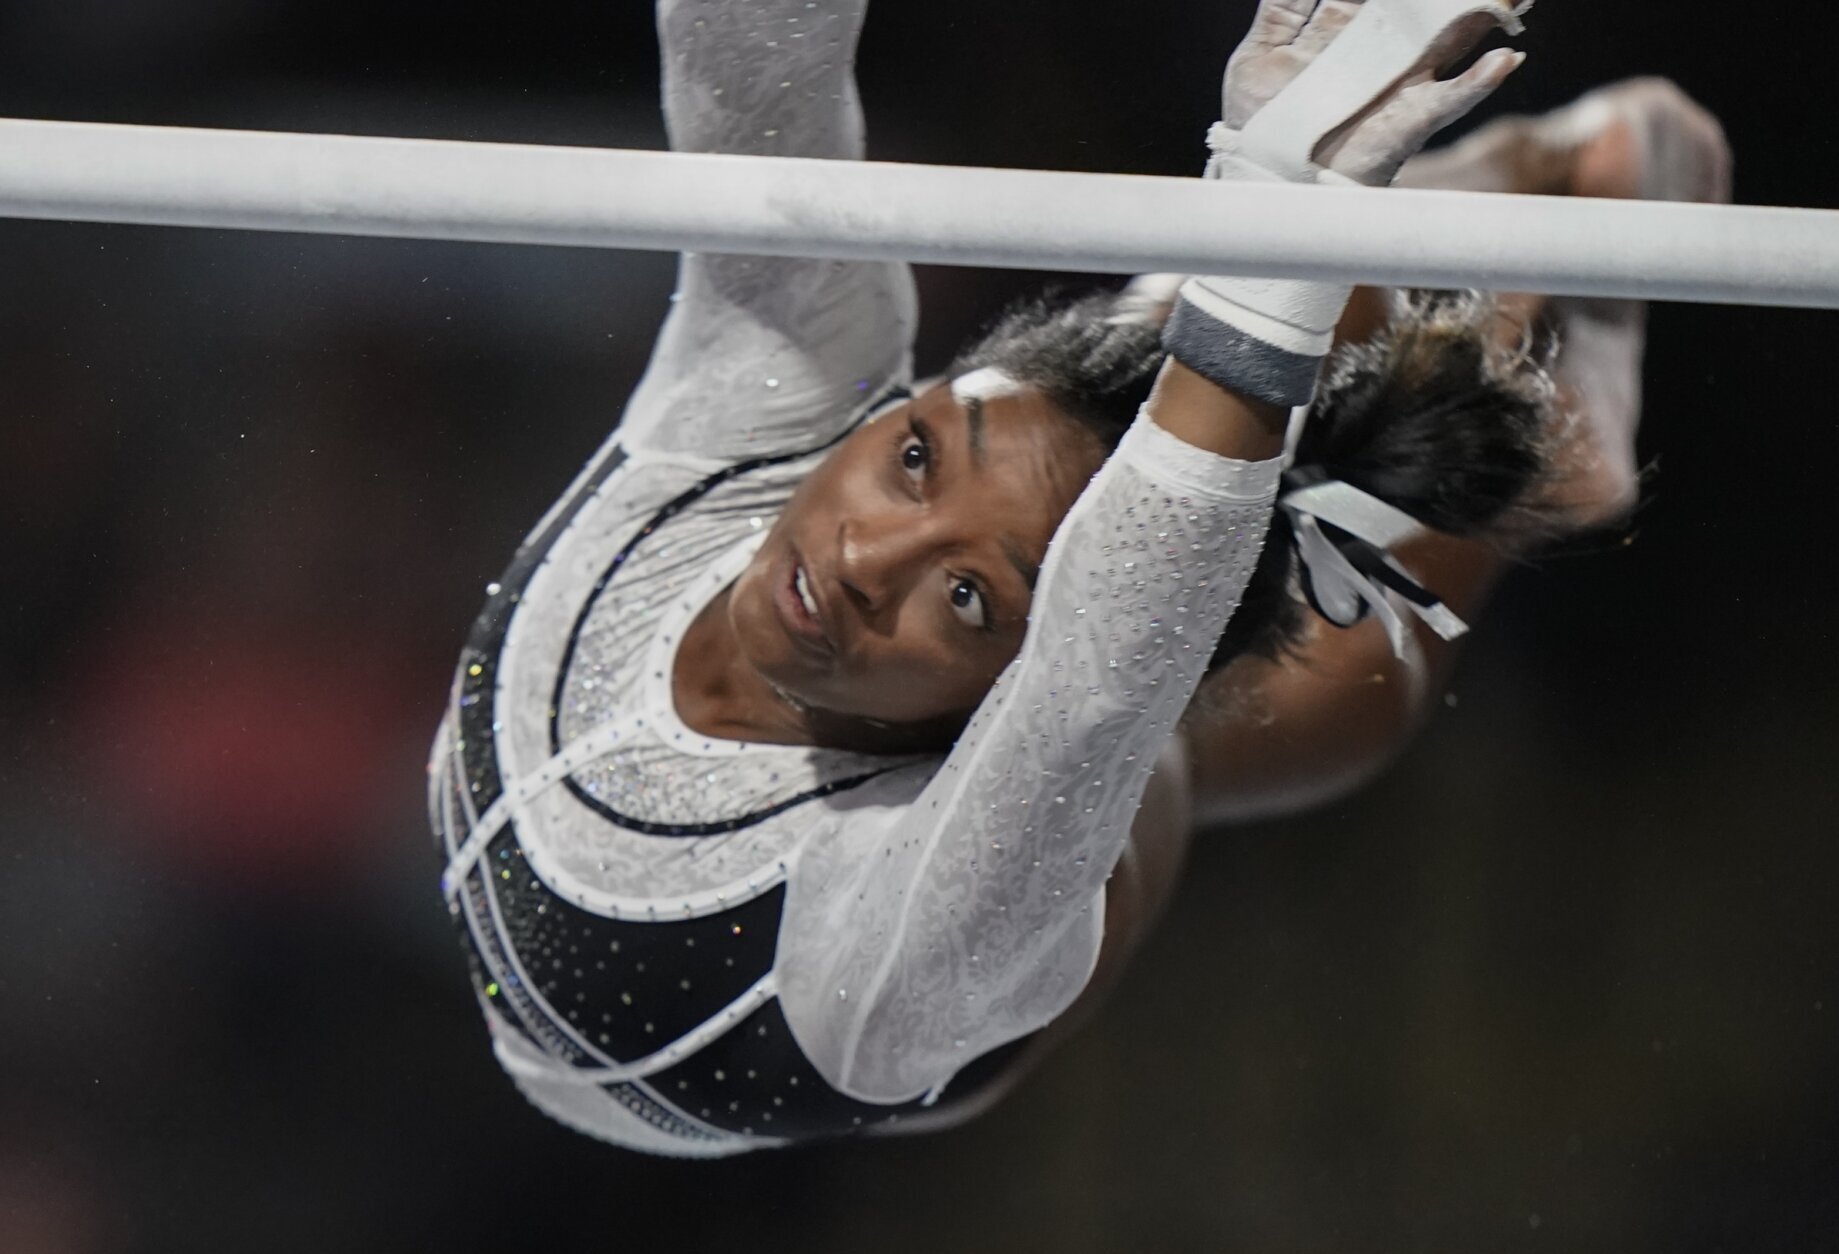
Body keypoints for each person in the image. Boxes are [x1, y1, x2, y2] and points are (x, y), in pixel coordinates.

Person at [428, 0, 1728, 1155]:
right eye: (915, 456)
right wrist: (1272, 228)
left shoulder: (878, 939)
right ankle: (1512, 235)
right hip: (1107, 594)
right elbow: (754, 55)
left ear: (1000, 686)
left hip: (1024, 809)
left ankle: (1536, 317)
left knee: (1171, 693)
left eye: (967, 600)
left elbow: (1104, 672)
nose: (867, 558)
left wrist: (1277, 220)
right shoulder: (779, 393)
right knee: (1147, 394)